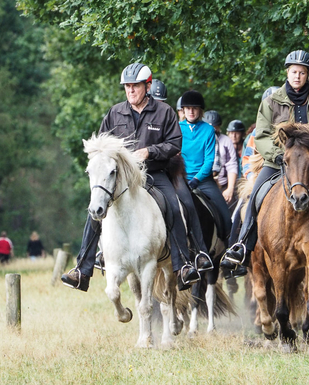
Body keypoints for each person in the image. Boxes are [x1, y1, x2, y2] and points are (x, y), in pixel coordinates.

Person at [61, 64, 212, 292]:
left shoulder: (165, 112)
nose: (130, 90)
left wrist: (149, 151)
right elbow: (102, 145)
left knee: (174, 204)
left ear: (147, 86)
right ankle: (83, 270)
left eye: (135, 86)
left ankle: (183, 266)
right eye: (127, 86)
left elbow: (174, 144)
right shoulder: (115, 113)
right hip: (122, 177)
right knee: (95, 209)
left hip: (155, 173)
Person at [221, 50, 309, 276]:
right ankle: (240, 245)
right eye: (294, 71)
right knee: (255, 194)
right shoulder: (271, 101)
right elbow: (262, 135)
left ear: (308, 75)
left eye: (302, 72)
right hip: (279, 161)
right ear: (287, 72)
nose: (297, 76)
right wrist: (278, 156)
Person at [179, 91, 232, 238]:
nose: (191, 111)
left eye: (195, 108)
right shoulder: (177, 128)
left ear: (200, 110)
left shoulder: (208, 129)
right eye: (188, 108)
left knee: (225, 216)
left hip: (203, 180)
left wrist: (196, 179)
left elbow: (209, 160)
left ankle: (228, 247)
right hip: (181, 179)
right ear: (183, 110)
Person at [203, 110, 239, 206]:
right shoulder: (199, 140)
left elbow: (232, 165)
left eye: (215, 127)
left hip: (223, 185)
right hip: (202, 183)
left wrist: (230, 189)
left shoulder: (226, 141)